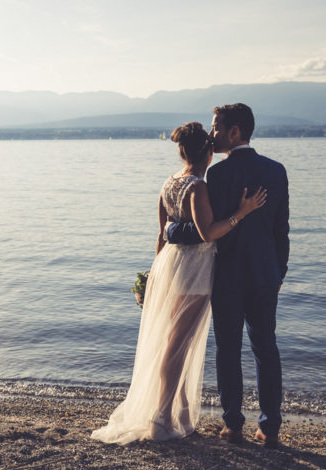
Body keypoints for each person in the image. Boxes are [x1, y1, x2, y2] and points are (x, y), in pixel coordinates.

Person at [91, 122, 266, 445]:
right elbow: (207, 233)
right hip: (193, 272)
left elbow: (161, 237)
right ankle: (160, 417)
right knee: (177, 346)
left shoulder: (169, 182)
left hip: (169, 266)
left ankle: (180, 415)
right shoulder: (197, 186)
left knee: (174, 343)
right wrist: (242, 212)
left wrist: (151, 279)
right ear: (209, 153)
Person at [166, 103, 289, 448]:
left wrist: (171, 229)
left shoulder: (217, 176)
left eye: (217, 127)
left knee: (229, 349)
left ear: (234, 132)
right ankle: (270, 429)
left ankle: (233, 426)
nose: (212, 133)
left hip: (228, 276)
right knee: (267, 348)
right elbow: (283, 230)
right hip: (267, 276)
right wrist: (280, 271)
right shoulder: (277, 171)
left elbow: (204, 230)